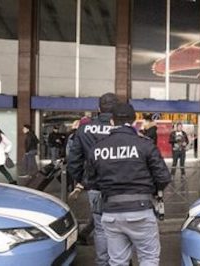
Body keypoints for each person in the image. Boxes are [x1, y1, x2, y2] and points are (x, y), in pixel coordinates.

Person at [88, 103, 171, 266]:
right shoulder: (145, 144)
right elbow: (163, 177)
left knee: (118, 261)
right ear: (134, 121)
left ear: (112, 121)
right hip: (140, 209)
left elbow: (90, 181)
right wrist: (150, 190)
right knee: (148, 258)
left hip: (111, 212)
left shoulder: (98, 148)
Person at [67, 93, 118, 266]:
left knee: (101, 227)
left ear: (98, 109)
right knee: (121, 227)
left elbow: (73, 160)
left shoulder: (85, 129)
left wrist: (82, 180)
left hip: (95, 186)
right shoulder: (122, 129)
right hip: (119, 186)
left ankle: (103, 262)